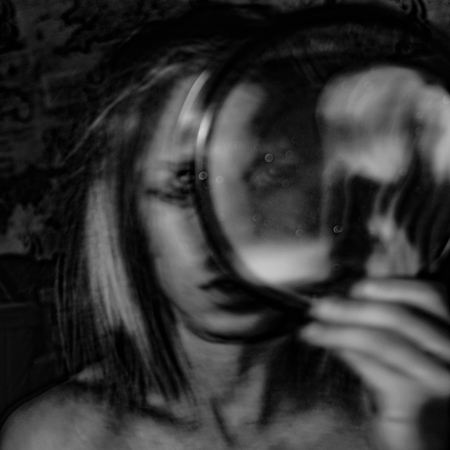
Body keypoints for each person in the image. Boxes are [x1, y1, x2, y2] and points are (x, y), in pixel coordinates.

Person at [1, 4, 449, 450]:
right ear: (126, 215)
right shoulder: (57, 438)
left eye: (272, 172)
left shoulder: (409, 412)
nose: (226, 233)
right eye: (184, 185)